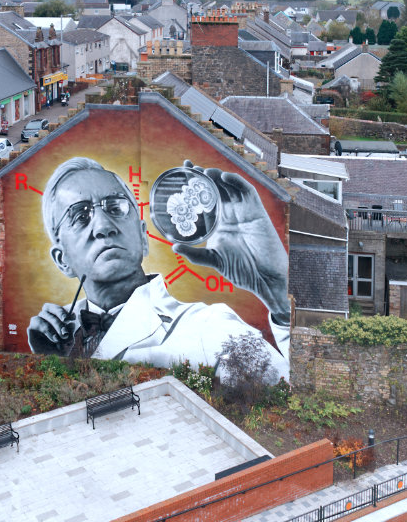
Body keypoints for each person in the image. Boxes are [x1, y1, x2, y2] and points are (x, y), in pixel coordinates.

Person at [27, 157, 290, 379]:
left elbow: (291, 398)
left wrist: (278, 293)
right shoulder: (56, 342)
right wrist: (51, 366)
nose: (103, 226)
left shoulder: (209, 329)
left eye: (116, 207)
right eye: (81, 216)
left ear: (143, 238)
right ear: (62, 260)